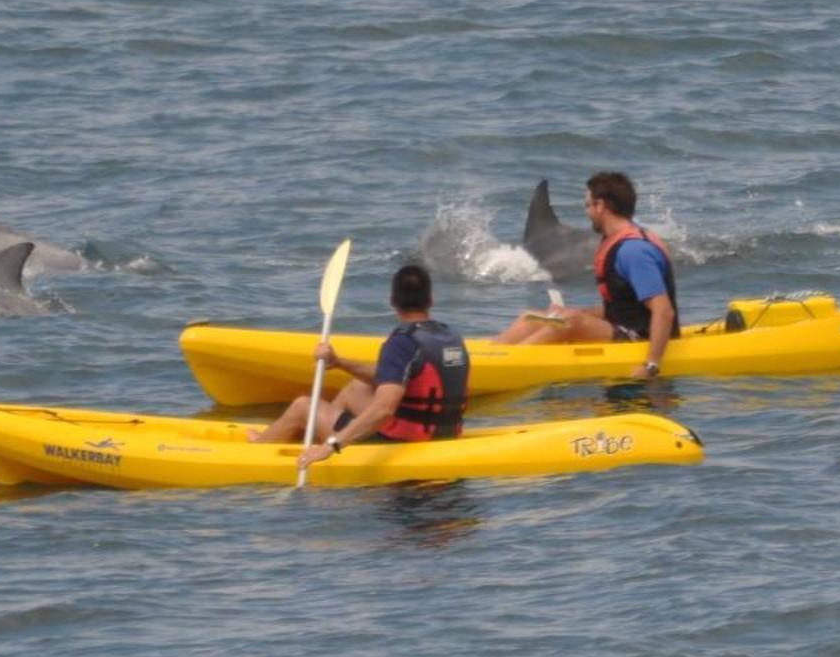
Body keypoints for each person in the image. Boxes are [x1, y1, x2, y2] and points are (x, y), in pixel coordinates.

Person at [251, 263, 470, 465]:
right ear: (430, 300)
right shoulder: (452, 337)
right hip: (444, 432)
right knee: (357, 386)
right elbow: (396, 376)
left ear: (392, 301)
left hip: (403, 442)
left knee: (303, 406)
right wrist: (339, 363)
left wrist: (331, 446)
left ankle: (259, 451)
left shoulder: (402, 342)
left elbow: (383, 410)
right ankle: (317, 433)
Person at [494, 171, 678, 380]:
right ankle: (490, 356)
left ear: (601, 206)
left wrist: (651, 365)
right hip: (625, 328)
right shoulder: (614, 240)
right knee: (533, 317)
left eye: (588, 205)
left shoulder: (634, 250)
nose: (587, 211)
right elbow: (627, 308)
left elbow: (663, 311)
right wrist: (577, 311)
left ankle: (505, 367)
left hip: (641, 340)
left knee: (570, 322)